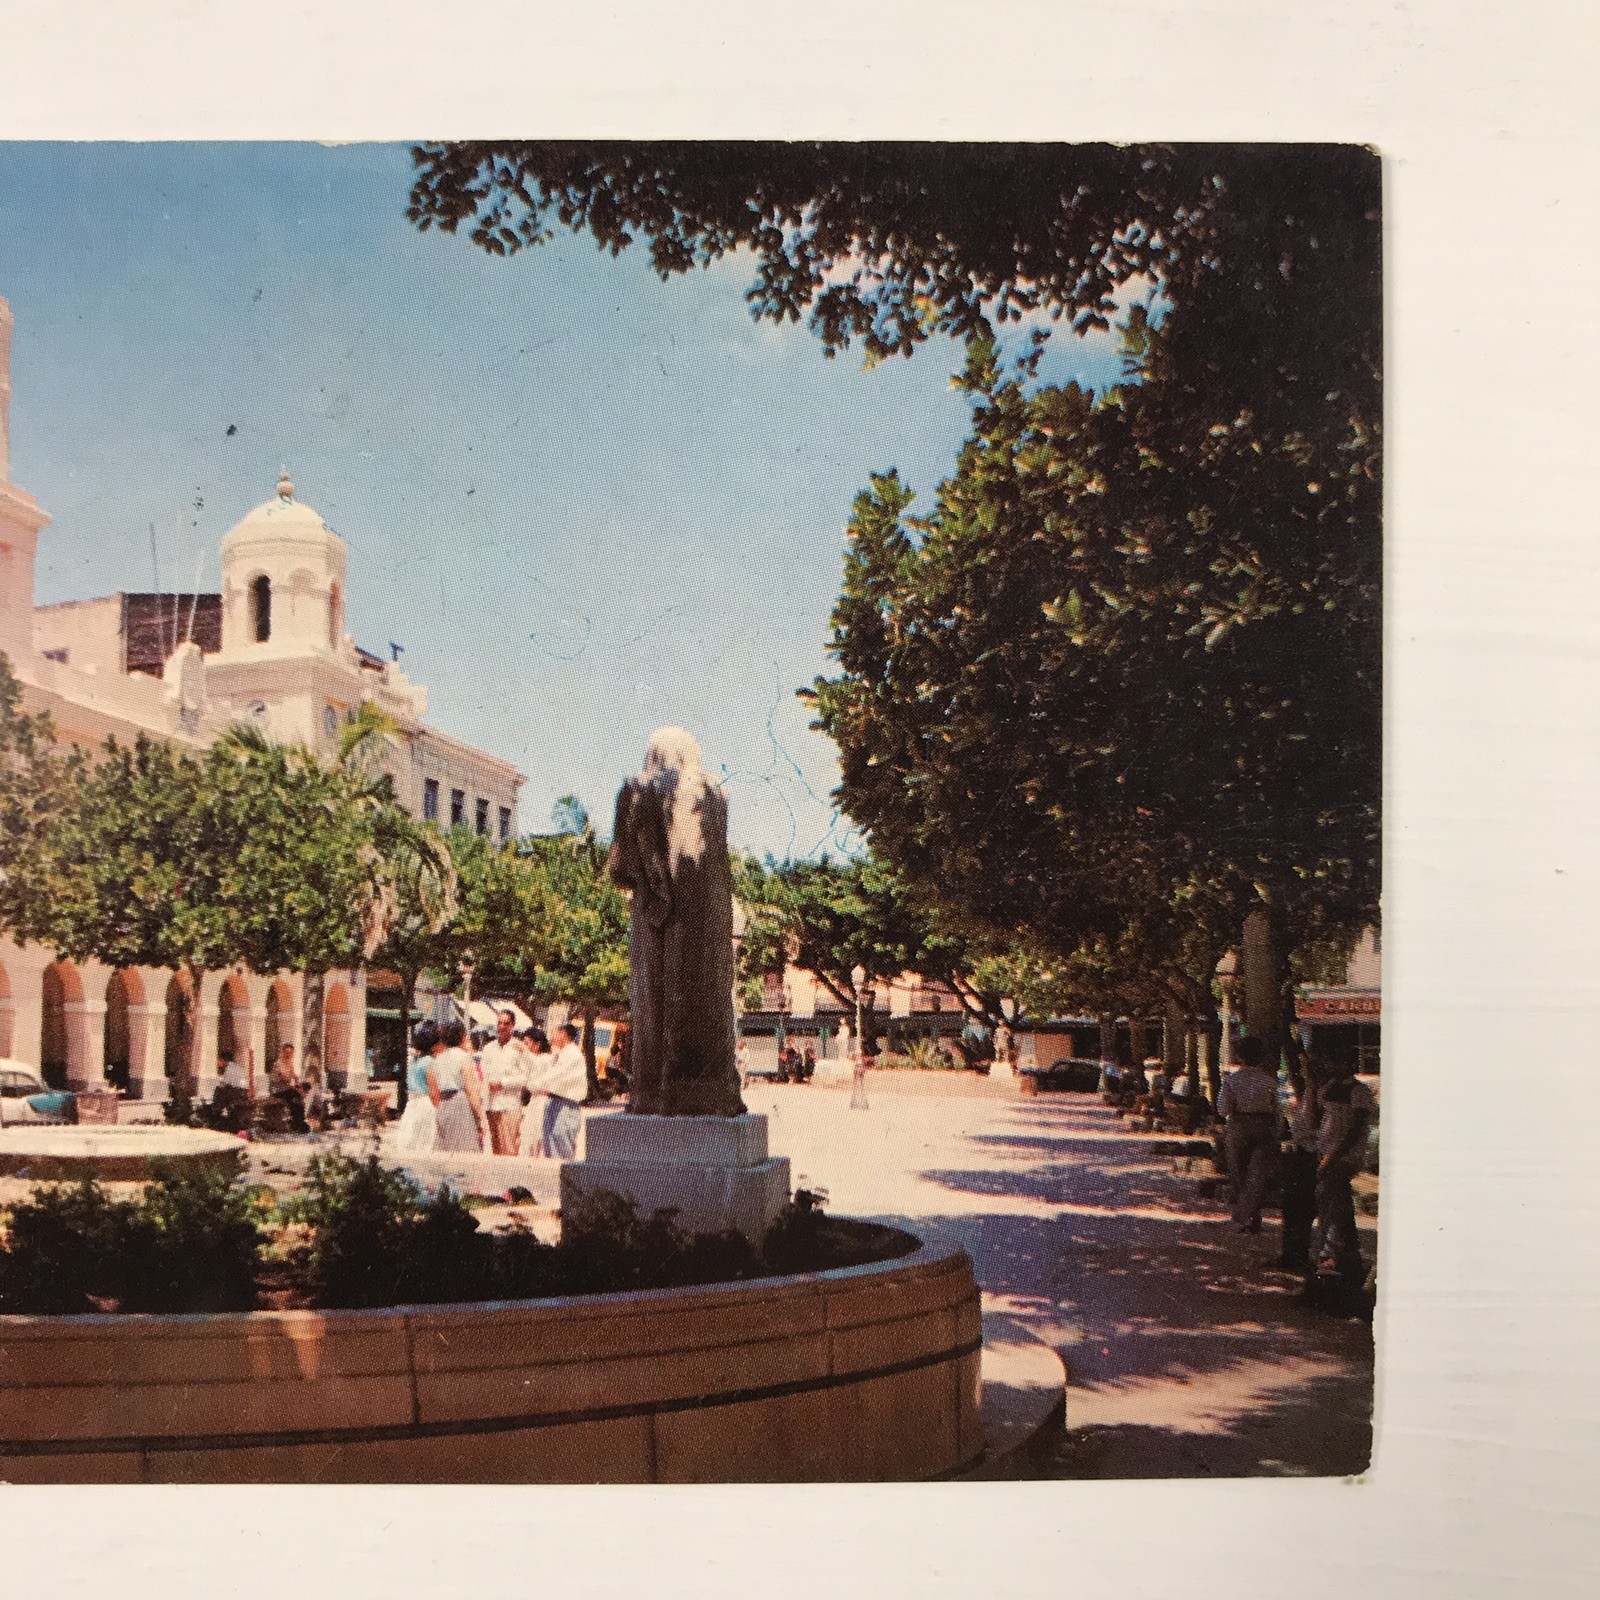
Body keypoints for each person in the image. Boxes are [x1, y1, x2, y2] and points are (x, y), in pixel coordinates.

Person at [1312, 1057, 1377, 1290]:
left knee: (1332, 1197)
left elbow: (1357, 1128)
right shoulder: (1328, 1088)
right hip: (1326, 1150)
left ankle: (1330, 1251)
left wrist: (1335, 1155)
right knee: (1337, 1202)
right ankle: (1347, 1248)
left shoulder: (1359, 1092)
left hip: (1345, 1155)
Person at [1216, 1035, 1282, 1233]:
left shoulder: (1231, 1081)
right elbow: (1278, 1108)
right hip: (1265, 1126)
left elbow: (1222, 1109)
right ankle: (1253, 1216)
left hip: (1239, 1126)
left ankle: (1245, 1217)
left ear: (1240, 1056)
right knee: (1258, 1174)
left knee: (1240, 1174)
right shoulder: (1269, 1081)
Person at [1278, 1051, 1324, 1273]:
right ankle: (1292, 1254)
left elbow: (1315, 1126)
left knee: (1301, 1207)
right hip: (1302, 1152)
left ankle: (1298, 1256)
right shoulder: (1310, 1094)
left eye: (1306, 1068)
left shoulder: (1319, 1095)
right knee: (1293, 1206)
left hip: (1311, 1154)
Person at [524, 1021, 587, 1159]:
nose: (550, 1036)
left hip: (565, 1105)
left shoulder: (572, 1054)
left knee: (560, 1146)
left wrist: (536, 1084)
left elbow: (556, 1075)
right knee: (551, 1146)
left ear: (563, 1034)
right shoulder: (560, 1053)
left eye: (553, 1032)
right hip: (555, 1102)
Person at [427, 1019, 485, 1152]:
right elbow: (471, 1091)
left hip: (443, 1104)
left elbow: (433, 1091)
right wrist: (481, 1116)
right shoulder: (464, 1057)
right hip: (460, 1104)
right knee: (465, 1150)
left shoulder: (438, 1060)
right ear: (462, 1037)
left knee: (445, 1150)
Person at [478, 1009, 527, 1155]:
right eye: (499, 1023)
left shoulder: (518, 1047)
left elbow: (525, 1078)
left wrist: (503, 1083)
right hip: (492, 1106)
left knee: (510, 1150)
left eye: (506, 1023)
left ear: (513, 1025)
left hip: (510, 1106)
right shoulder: (488, 1048)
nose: (502, 1027)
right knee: (495, 1150)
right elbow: (483, 1075)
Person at [393, 1023, 440, 1153]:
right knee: (426, 1140)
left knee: (410, 1138)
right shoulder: (430, 1062)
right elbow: (433, 1089)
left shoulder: (413, 1062)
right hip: (426, 1102)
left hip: (412, 1102)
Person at [268, 1042, 308, 1133]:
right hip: (278, 1089)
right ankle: (298, 1124)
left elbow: (295, 1076)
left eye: (290, 1053)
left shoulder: (290, 1063)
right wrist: (298, 1090)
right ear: (283, 1052)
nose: (288, 1055)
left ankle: (299, 1124)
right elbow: (283, 1080)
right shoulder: (278, 1063)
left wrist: (299, 1085)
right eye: (286, 1053)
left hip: (287, 1090)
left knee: (298, 1103)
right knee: (295, 1098)